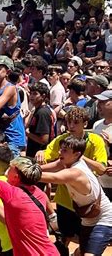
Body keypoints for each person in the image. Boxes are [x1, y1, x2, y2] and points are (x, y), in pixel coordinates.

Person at [0, 152, 59, 255]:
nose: (6, 172)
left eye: (10, 169)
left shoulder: (12, 193)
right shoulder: (38, 193)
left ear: (16, 176)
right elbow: (6, 217)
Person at [36, 106, 107, 247]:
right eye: (69, 122)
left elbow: (101, 169)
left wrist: (78, 156)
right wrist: (41, 152)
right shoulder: (61, 140)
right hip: (64, 200)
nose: (71, 126)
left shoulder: (95, 141)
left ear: (85, 124)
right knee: (64, 239)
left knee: (84, 242)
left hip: (86, 201)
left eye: (76, 122)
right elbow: (49, 154)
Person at [40, 136, 112, 256]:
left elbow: (53, 177)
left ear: (76, 154)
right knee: (81, 252)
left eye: (64, 150)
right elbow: (52, 166)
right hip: (87, 220)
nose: (60, 152)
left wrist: (24, 172)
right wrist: (31, 167)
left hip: (104, 220)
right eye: (61, 149)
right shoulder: (69, 161)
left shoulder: (76, 172)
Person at [92, 90, 112, 200]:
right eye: (98, 102)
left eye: (103, 102)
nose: (99, 105)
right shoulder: (97, 125)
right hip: (100, 182)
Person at [26, 82, 54, 158]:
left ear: (43, 96)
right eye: (31, 93)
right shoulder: (38, 110)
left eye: (35, 94)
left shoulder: (42, 113)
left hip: (39, 155)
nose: (31, 96)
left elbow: (44, 140)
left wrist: (27, 133)